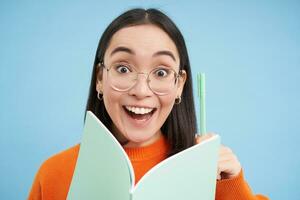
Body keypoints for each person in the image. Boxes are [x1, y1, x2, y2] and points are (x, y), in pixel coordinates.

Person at [28, 8, 268, 200]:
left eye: (161, 72)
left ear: (179, 85)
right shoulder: (53, 174)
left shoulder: (213, 176)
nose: (141, 91)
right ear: (100, 78)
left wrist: (231, 187)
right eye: (123, 68)